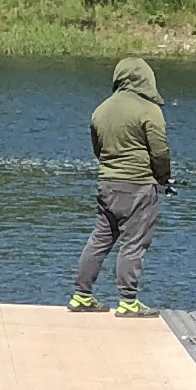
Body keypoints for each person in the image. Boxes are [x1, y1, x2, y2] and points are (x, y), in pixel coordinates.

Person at [71, 56, 172, 315]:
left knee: (100, 239)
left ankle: (82, 295)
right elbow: (160, 152)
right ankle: (128, 301)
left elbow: (98, 149)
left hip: (107, 184)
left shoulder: (101, 110)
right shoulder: (149, 110)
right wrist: (163, 178)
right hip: (138, 185)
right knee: (134, 242)